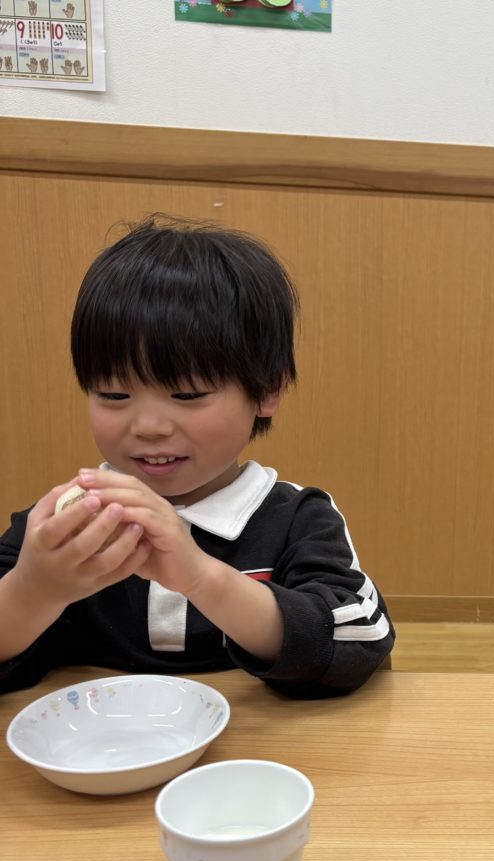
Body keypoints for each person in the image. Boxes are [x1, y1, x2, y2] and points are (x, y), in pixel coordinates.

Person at [0, 215, 394, 698]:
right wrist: (34, 590)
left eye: (187, 395)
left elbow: (358, 638)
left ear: (266, 391)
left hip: (256, 742)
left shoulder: (297, 518)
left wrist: (202, 577)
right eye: (113, 394)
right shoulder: (63, 530)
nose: (148, 426)